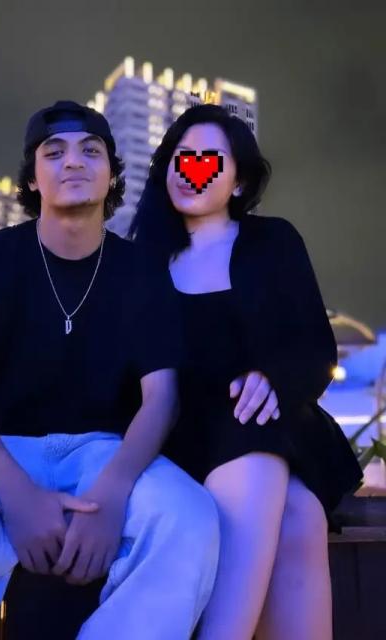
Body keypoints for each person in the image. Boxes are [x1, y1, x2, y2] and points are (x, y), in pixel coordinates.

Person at [0, 101, 220, 640]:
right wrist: (18, 496)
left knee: (190, 517)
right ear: (32, 178)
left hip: (105, 452)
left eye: (91, 151)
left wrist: (113, 495)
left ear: (112, 173)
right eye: (54, 153)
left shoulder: (143, 269)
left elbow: (161, 397)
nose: (73, 161)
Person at [129, 103, 363, 640]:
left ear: (237, 181)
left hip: (273, 422)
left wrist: (274, 377)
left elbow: (314, 345)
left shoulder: (273, 241)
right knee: (296, 515)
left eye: (208, 158)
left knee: (276, 471)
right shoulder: (141, 264)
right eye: (181, 157)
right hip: (184, 435)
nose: (191, 169)